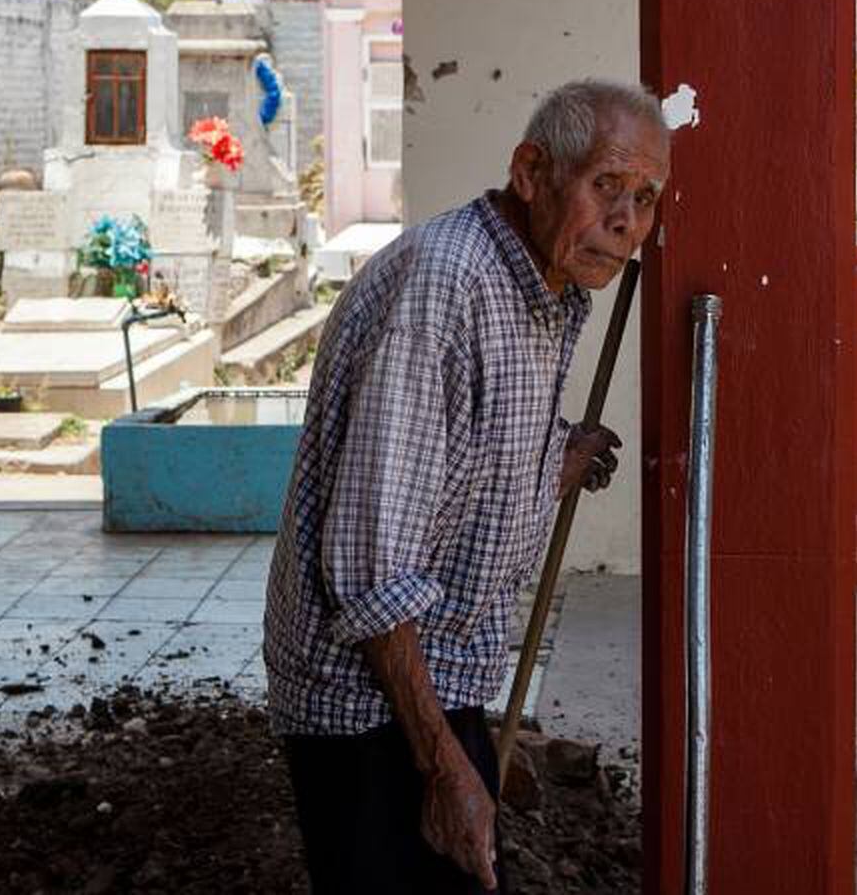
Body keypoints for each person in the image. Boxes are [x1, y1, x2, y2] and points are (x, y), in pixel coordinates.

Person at [264, 78, 671, 894]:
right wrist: (446, 769)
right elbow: (373, 570)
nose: (627, 222)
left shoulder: (544, 291)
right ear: (531, 171)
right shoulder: (446, 287)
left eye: (646, 198)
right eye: (606, 187)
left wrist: (564, 455)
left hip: (437, 679)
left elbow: (473, 460)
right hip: (369, 706)